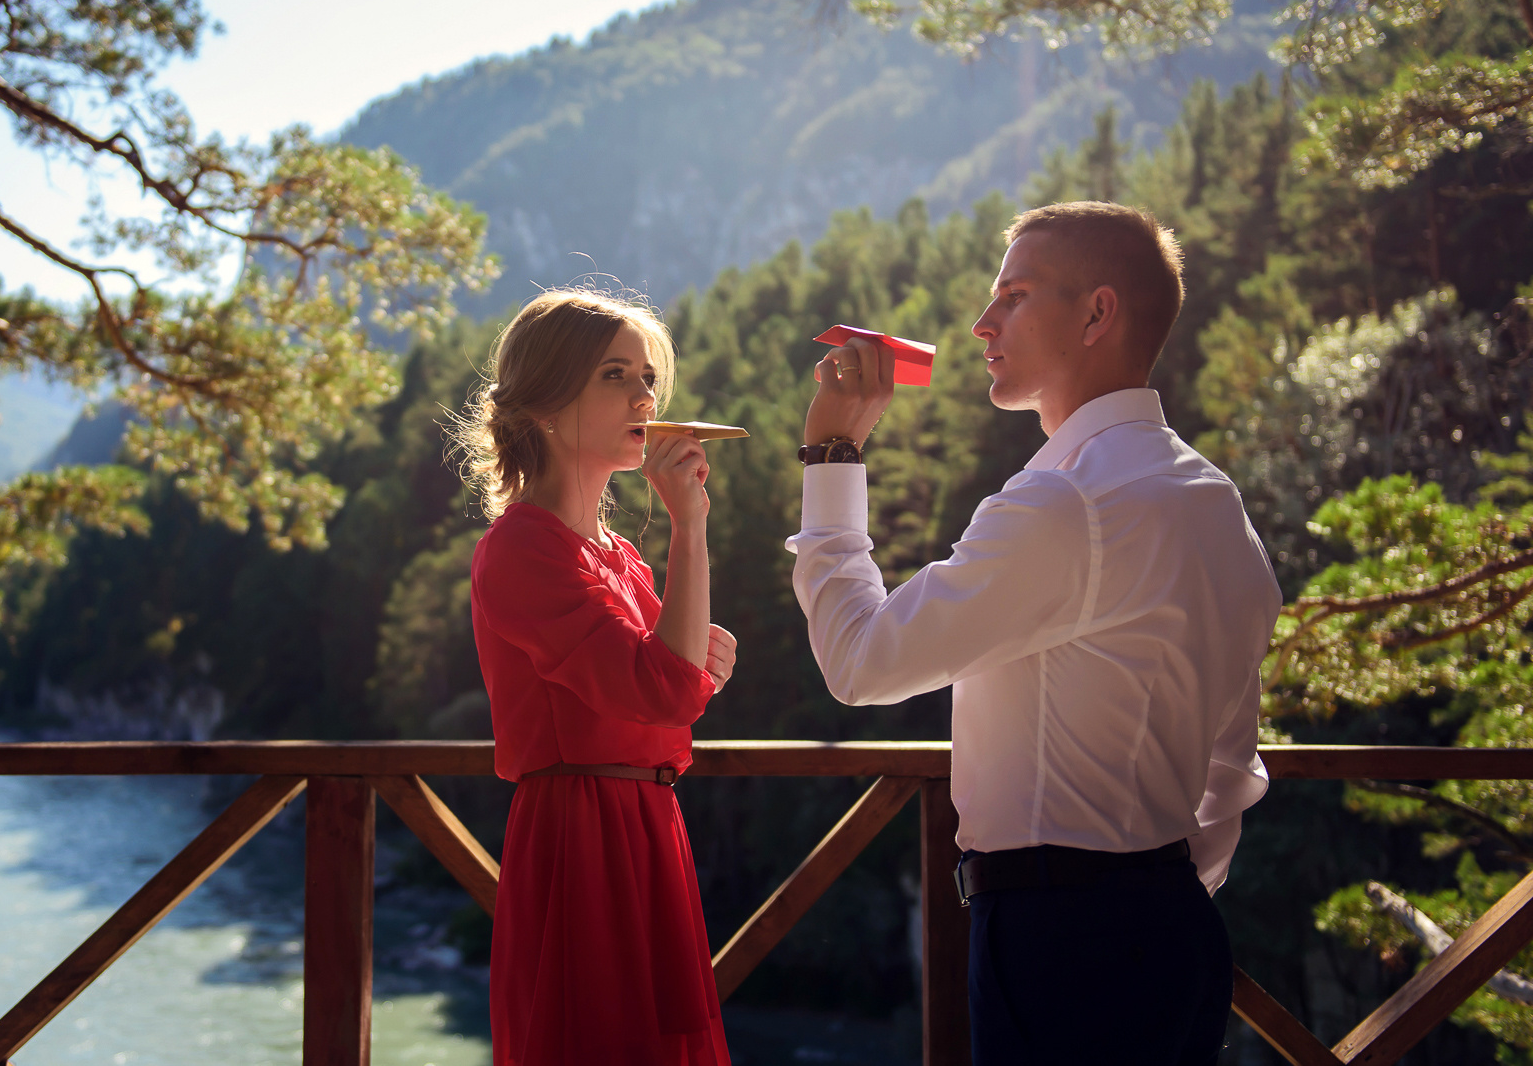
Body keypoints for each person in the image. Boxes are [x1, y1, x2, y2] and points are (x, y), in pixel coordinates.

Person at [790, 201, 1282, 1066]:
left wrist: (833, 457)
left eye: (1012, 296)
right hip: (1175, 932)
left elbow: (859, 661)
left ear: (1097, 313)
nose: (983, 323)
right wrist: (1153, 887)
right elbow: (1229, 769)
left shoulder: (1064, 501)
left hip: (1060, 936)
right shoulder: (1217, 503)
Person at [451, 288, 737, 1066]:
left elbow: (676, 696)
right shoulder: (521, 549)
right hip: (581, 838)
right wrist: (690, 524)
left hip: (648, 825)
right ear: (545, 399)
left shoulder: (617, 554)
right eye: (616, 375)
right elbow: (670, 690)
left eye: (647, 376)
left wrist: (696, 660)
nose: (645, 396)